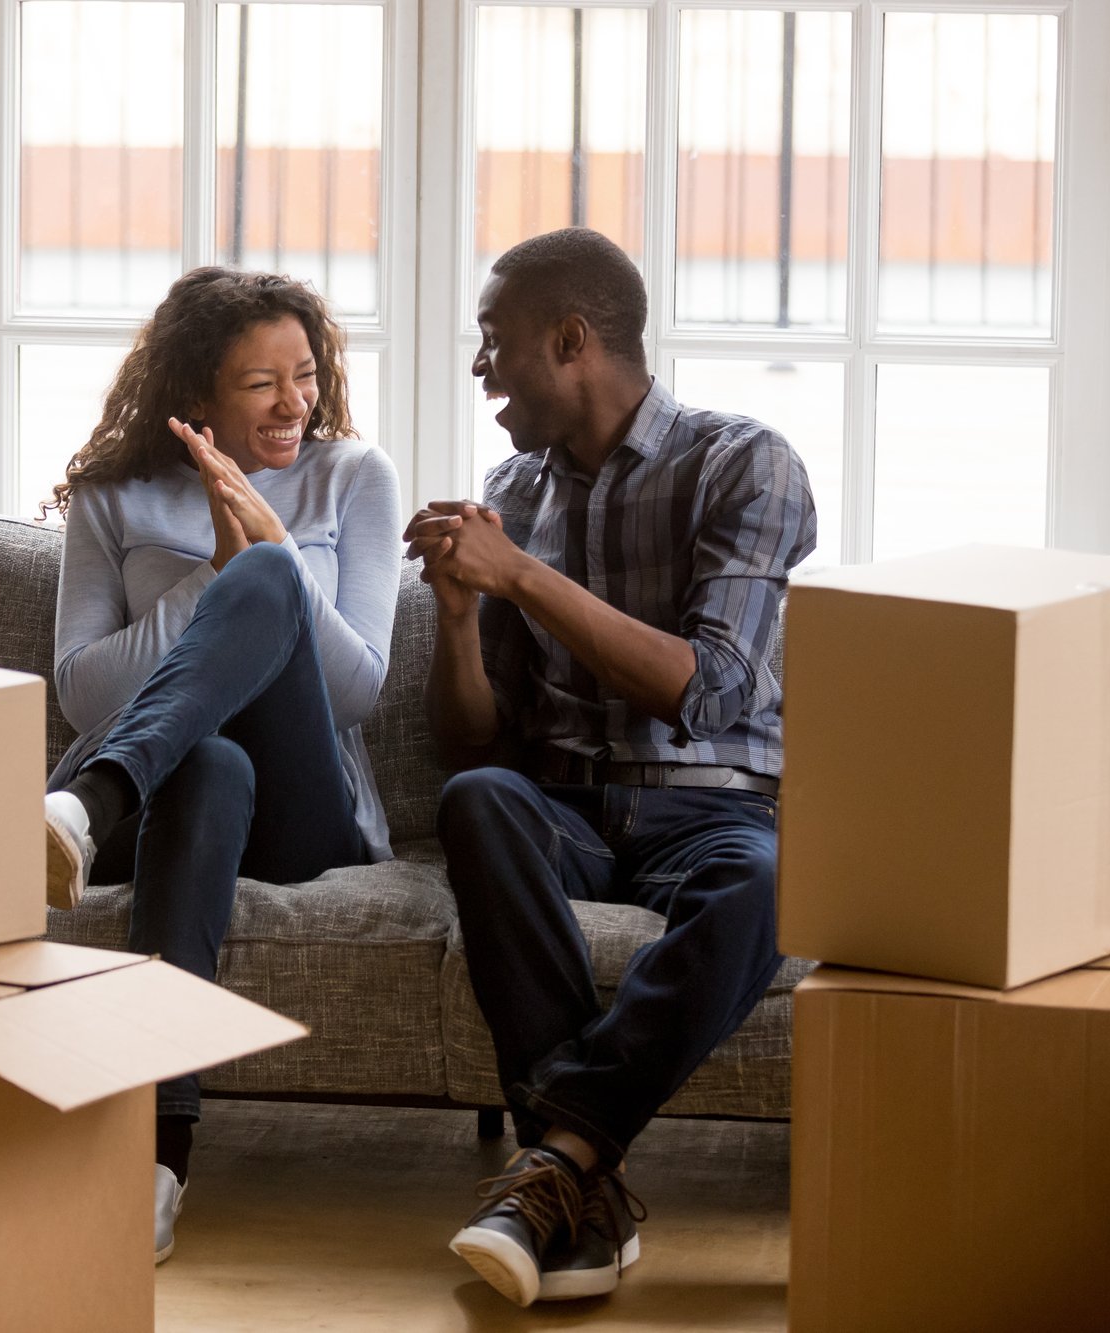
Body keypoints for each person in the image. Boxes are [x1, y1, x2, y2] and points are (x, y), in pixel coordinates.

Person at [404, 228, 816, 1307]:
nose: (481, 369)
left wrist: (522, 578)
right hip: (569, 810)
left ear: (571, 340)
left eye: (495, 344)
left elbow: (710, 687)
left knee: (767, 887)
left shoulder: (744, 462)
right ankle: (575, 1172)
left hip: (712, 807)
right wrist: (457, 617)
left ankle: (555, 1159)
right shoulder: (515, 487)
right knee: (479, 800)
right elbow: (474, 738)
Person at [40, 267, 400, 1265]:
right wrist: (209, 576)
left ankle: (87, 800)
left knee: (273, 573)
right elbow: (80, 690)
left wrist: (266, 556)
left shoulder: (353, 478)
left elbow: (361, 689)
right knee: (208, 767)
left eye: (305, 375)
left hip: (306, 810)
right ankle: (160, 1161)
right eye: (260, 384)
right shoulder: (115, 497)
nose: (295, 404)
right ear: (197, 394)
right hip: (177, 797)